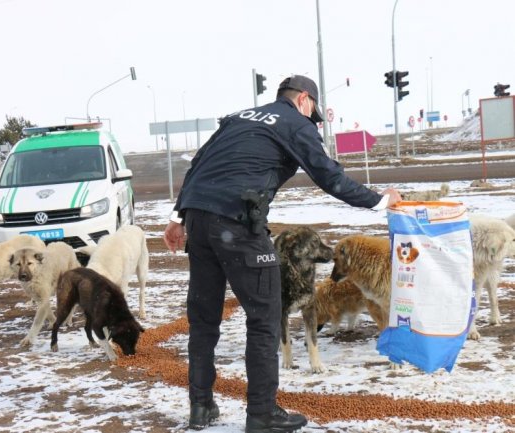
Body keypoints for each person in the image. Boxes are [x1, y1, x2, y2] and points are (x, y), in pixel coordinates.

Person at [163, 75, 401, 433]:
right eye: (313, 114)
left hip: (197, 222)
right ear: (304, 100)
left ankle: (201, 406)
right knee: (264, 316)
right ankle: (262, 413)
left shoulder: (239, 118)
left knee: (204, 318)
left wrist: (177, 216)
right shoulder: (295, 123)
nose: (313, 121)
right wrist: (381, 200)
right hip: (238, 223)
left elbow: (199, 163)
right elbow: (328, 175)